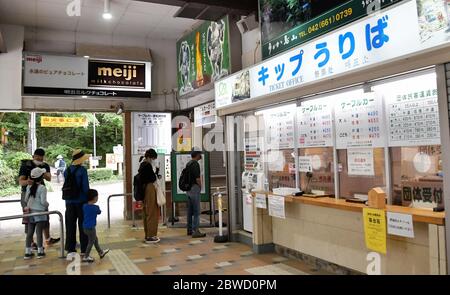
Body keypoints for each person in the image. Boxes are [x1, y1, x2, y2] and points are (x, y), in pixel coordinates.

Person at [18, 148, 60, 248]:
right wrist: (28, 182)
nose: (39, 159)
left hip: (40, 193)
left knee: (45, 216)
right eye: (37, 157)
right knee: (29, 218)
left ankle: (48, 239)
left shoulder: (44, 165)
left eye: (41, 158)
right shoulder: (26, 165)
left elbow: (49, 178)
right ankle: (31, 243)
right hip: (27, 193)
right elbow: (20, 181)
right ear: (34, 156)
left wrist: (41, 171)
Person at [64, 149, 90, 260]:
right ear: (80, 160)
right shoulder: (82, 171)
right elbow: (85, 187)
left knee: (70, 225)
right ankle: (84, 250)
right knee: (83, 226)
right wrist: (89, 198)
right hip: (81, 202)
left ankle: (70, 250)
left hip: (69, 202)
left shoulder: (67, 170)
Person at [23, 168, 49, 260]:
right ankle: (40, 251)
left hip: (30, 212)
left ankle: (27, 252)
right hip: (40, 213)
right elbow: (43, 202)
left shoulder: (29, 187)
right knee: (39, 232)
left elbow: (25, 200)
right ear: (41, 177)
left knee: (30, 232)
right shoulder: (42, 188)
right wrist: (47, 204)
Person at [138, 149, 161, 244]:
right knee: (152, 212)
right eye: (153, 158)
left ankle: (148, 234)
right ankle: (151, 236)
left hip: (144, 191)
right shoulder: (147, 165)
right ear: (150, 157)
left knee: (147, 212)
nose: (154, 160)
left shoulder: (142, 164)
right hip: (149, 189)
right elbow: (151, 178)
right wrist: (157, 172)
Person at [82, 189, 109, 263]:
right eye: (97, 196)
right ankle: (86, 256)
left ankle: (101, 252)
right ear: (94, 198)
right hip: (91, 228)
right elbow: (99, 212)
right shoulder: (95, 207)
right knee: (91, 242)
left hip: (84, 227)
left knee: (95, 239)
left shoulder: (84, 206)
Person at [186, 150, 206, 238]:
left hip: (188, 189)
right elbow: (197, 178)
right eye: (200, 154)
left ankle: (189, 230)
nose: (201, 156)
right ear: (197, 155)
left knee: (190, 211)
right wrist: (200, 186)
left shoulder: (188, 164)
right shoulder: (195, 164)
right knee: (197, 211)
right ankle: (196, 231)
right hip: (194, 188)